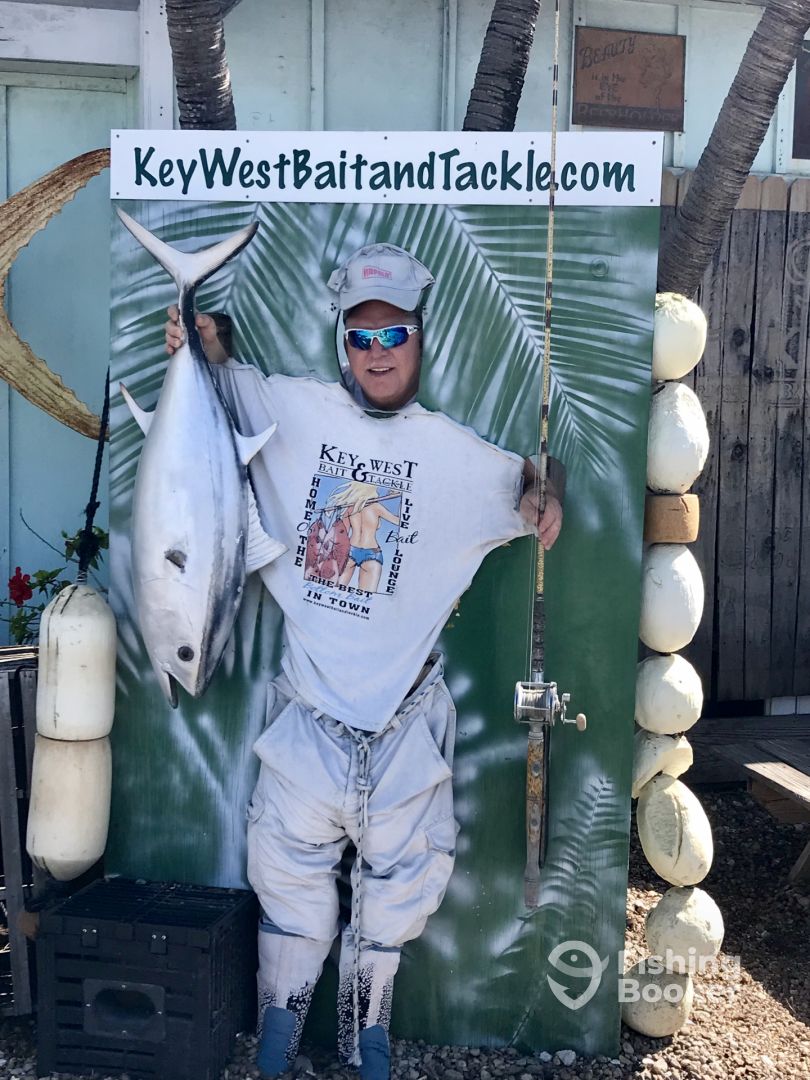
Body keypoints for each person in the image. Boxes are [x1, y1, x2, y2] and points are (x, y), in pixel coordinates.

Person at [164, 243, 563, 1080]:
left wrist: (543, 494)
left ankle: (365, 1025)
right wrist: (204, 338)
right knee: (286, 873)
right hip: (307, 714)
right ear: (342, 342)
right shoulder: (293, 410)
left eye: (394, 336)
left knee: (402, 887)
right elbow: (218, 375)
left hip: (405, 725)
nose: (377, 354)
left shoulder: (456, 453)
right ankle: (280, 1019)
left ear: (421, 338)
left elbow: (534, 477)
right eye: (360, 337)